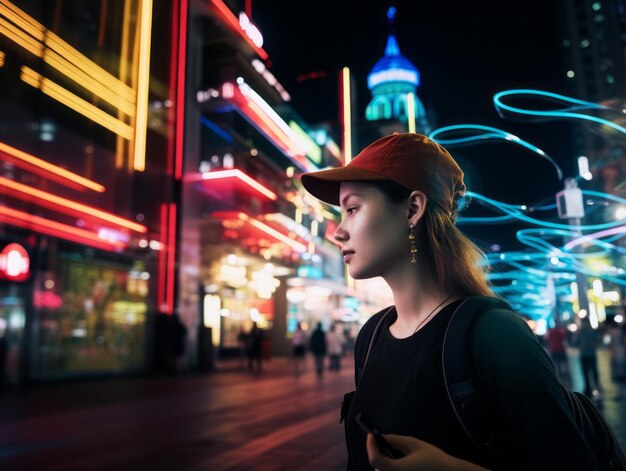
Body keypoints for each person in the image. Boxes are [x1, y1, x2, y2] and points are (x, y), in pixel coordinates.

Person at [300, 133, 600, 470]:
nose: (338, 231)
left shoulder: (493, 334)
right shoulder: (370, 337)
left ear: (413, 208)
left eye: (352, 208)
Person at [577, 316, 603, 398]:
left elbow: (598, 340)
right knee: (589, 371)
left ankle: (592, 387)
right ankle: (591, 387)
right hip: (587, 354)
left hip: (588, 354)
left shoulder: (587, 332)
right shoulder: (585, 331)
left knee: (590, 371)